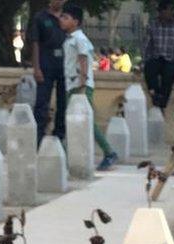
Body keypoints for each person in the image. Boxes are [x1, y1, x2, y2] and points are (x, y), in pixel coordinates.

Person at [59, 4, 119, 171]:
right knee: (74, 119)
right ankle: (65, 154)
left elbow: (83, 59)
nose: (61, 20)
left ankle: (109, 152)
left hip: (79, 85)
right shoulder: (70, 39)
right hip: (72, 84)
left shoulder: (79, 38)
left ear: (76, 21)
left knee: (85, 120)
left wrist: (83, 84)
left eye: (65, 17)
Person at [27, 0, 67, 145]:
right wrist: (36, 67)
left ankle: (59, 136)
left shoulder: (67, 17)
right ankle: (38, 138)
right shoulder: (40, 17)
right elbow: (35, 43)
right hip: (46, 64)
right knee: (42, 103)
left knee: (63, 103)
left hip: (65, 66)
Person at [143, 0, 174, 111]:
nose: (171, 13)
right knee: (149, 70)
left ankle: (161, 104)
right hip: (157, 56)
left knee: (169, 77)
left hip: (171, 58)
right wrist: (142, 62)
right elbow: (147, 45)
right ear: (162, 12)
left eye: (172, 10)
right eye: (169, 10)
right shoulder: (153, 24)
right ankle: (155, 96)